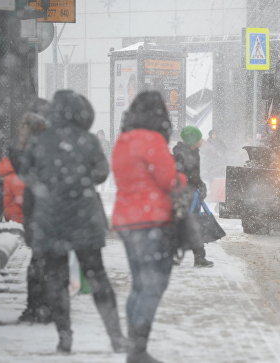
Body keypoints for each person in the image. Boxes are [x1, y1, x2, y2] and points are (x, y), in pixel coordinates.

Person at [21, 90, 127, 353]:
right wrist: (81, 180)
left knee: (56, 278)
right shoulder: (88, 140)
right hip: (84, 217)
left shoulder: (39, 141)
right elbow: (102, 173)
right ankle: (115, 336)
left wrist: (32, 219)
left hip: (51, 218)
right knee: (98, 275)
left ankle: (64, 335)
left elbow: (28, 180)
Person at [112, 91, 187, 363]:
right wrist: (182, 175)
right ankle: (138, 350)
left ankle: (135, 343)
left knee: (140, 285)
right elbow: (170, 181)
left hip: (126, 222)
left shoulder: (123, 141)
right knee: (153, 285)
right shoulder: (153, 140)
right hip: (151, 221)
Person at [10, 108, 51, 323]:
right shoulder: (40, 149)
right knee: (41, 261)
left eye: (24, 128)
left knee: (39, 261)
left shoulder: (35, 151)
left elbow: (23, 170)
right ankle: (41, 306)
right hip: (39, 210)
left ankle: (37, 307)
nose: (20, 131)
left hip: (40, 211)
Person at [173, 126, 215, 268]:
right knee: (191, 225)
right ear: (192, 141)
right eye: (199, 138)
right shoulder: (183, 154)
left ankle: (193, 256)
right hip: (186, 195)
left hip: (190, 194)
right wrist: (197, 186)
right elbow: (187, 176)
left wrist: (200, 185)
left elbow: (194, 175)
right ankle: (198, 257)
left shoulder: (191, 152)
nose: (202, 141)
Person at [0, 156, 24, 223]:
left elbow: (20, 198)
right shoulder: (12, 179)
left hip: (16, 217)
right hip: (14, 216)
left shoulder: (11, 180)